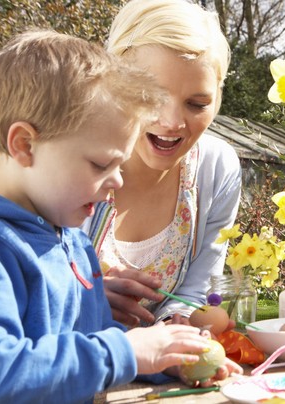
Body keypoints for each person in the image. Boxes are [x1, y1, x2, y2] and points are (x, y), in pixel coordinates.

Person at [0, 30, 239, 403]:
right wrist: (125, 353)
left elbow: (94, 349)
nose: (117, 180)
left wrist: (164, 357)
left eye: (119, 164)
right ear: (24, 145)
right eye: (101, 164)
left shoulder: (71, 243)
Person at [82, 0, 243, 327]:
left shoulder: (216, 169)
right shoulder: (74, 161)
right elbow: (24, 282)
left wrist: (178, 323)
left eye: (196, 104)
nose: (172, 122)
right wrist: (83, 296)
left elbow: (197, 289)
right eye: (151, 95)